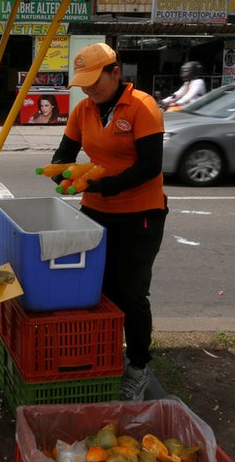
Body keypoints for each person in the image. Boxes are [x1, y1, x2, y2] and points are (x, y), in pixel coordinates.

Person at [50, 42, 168, 402]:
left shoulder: (142, 107)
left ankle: (138, 366)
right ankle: (105, 356)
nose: (88, 89)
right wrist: (62, 175)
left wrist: (105, 185)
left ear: (115, 73)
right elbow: (63, 154)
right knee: (97, 290)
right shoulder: (83, 110)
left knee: (132, 294)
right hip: (96, 213)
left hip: (140, 215)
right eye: (83, 83)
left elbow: (150, 165)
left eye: (94, 81)